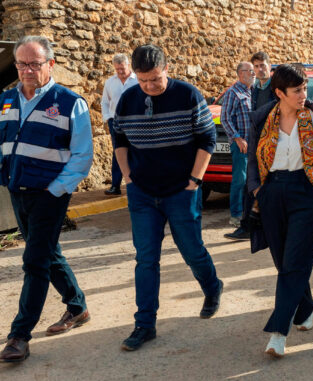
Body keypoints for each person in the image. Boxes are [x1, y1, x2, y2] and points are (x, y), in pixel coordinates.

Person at [112, 44, 223, 351]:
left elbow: (207, 139)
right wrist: (128, 178)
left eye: (156, 79)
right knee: (146, 259)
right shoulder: (127, 99)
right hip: (142, 193)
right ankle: (144, 325)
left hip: (181, 190)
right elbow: (119, 139)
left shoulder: (188, 95)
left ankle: (212, 287)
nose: (149, 86)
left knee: (191, 250)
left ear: (167, 69)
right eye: (143, 80)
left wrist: (194, 180)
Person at [0, 35, 93, 362]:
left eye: (34, 64)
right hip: (16, 191)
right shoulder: (5, 100)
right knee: (48, 253)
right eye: (22, 64)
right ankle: (77, 307)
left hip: (50, 196)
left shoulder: (69, 102)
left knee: (35, 261)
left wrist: (55, 191)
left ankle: (19, 336)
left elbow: (82, 156)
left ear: (50, 64)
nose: (27, 70)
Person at [246, 64, 313, 357]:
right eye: (297, 90)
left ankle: (278, 332)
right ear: (279, 93)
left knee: (295, 261)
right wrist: (258, 189)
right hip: (272, 193)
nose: (303, 94)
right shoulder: (262, 118)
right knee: (285, 261)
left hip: (306, 193)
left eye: (305, 87)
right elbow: (251, 157)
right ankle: (306, 308)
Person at [225, 52, 276, 241]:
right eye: (256, 66)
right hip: (256, 145)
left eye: (263, 65)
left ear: (269, 66)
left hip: (272, 145)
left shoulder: (276, 89)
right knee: (250, 185)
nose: (259, 70)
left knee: (265, 186)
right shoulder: (255, 91)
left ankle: (259, 225)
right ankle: (247, 226)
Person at [221, 62, 255, 228]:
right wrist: (238, 138)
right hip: (241, 145)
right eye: (250, 71)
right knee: (239, 180)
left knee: (251, 180)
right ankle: (235, 215)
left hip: (253, 144)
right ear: (241, 73)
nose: (253, 73)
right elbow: (225, 118)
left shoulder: (251, 92)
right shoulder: (233, 93)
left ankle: (249, 212)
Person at [101, 53, 137, 196]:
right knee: (118, 153)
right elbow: (104, 102)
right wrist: (107, 118)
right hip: (115, 123)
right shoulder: (110, 82)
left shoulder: (138, 81)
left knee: (135, 152)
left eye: (122, 68)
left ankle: (135, 185)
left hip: (135, 123)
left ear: (128, 65)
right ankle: (115, 186)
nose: (120, 72)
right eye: (117, 69)